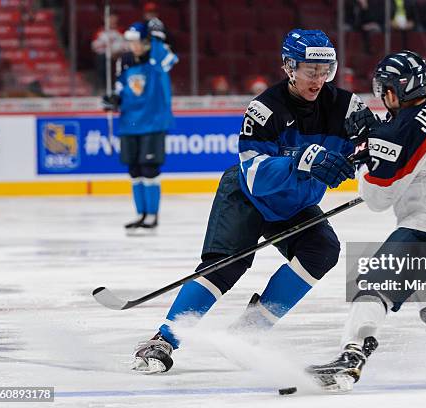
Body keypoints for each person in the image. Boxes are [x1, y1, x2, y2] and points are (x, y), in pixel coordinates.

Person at [131, 28, 371, 374]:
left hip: (295, 203)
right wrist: (305, 159)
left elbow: (379, 151)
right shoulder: (265, 109)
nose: (319, 80)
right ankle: (163, 339)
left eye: (325, 71)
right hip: (248, 197)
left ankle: (248, 331)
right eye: (310, 71)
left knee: (321, 250)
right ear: (289, 67)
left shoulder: (347, 107)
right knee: (223, 269)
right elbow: (257, 176)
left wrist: (377, 140)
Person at [307, 51, 426, 391]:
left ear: (393, 92)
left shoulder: (402, 132)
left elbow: (378, 200)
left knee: (373, 284)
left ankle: (352, 357)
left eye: (384, 90)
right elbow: (415, 137)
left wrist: (367, 150)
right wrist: (382, 140)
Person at [102, 20, 178, 234]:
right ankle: (140, 214)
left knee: (149, 169)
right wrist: (114, 99)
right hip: (129, 123)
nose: (134, 46)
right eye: (131, 42)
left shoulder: (159, 57)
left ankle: (152, 216)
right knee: (134, 170)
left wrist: (157, 39)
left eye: (139, 42)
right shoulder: (125, 61)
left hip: (153, 122)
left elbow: (168, 60)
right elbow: (121, 87)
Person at [91, 13, 126, 93]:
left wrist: (116, 52)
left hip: (119, 55)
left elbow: (126, 45)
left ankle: (121, 85)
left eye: (113, 18)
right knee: (101, 59)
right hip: (105, 56)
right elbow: (94, 47)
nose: (112, 21)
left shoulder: (121, 31)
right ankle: (102, 87)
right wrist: (108, 50)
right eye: (110, 18)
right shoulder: (100, 32)